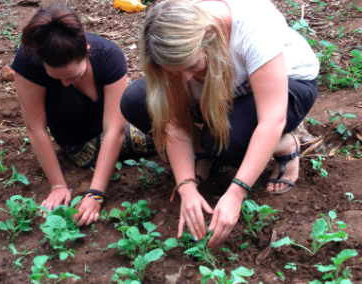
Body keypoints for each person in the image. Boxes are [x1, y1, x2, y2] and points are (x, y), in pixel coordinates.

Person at [120, 0, 319, 248]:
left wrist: (236, 194)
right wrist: (186, 187)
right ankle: (201, 153)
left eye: (193, 65)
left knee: (225, 144)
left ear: (210, 38)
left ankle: (285, 145)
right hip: (223, 93)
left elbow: (271, 119)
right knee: (136, 100)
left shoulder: (253, 27)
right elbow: (173, 122)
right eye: (174, 72)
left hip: (286, 87)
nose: (185, 79)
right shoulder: (168, 40)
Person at [11, 4, 153, 227]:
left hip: (113, 124)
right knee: (163, 134)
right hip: (82, 143)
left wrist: (95, 194)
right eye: (57, 78)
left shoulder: (108, 55)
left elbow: (114, 128)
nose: (66, 83)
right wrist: (58, 185)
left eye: (74, 75)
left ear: (87, 50)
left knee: (164, 111)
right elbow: (35, 127)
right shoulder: (29, 61)